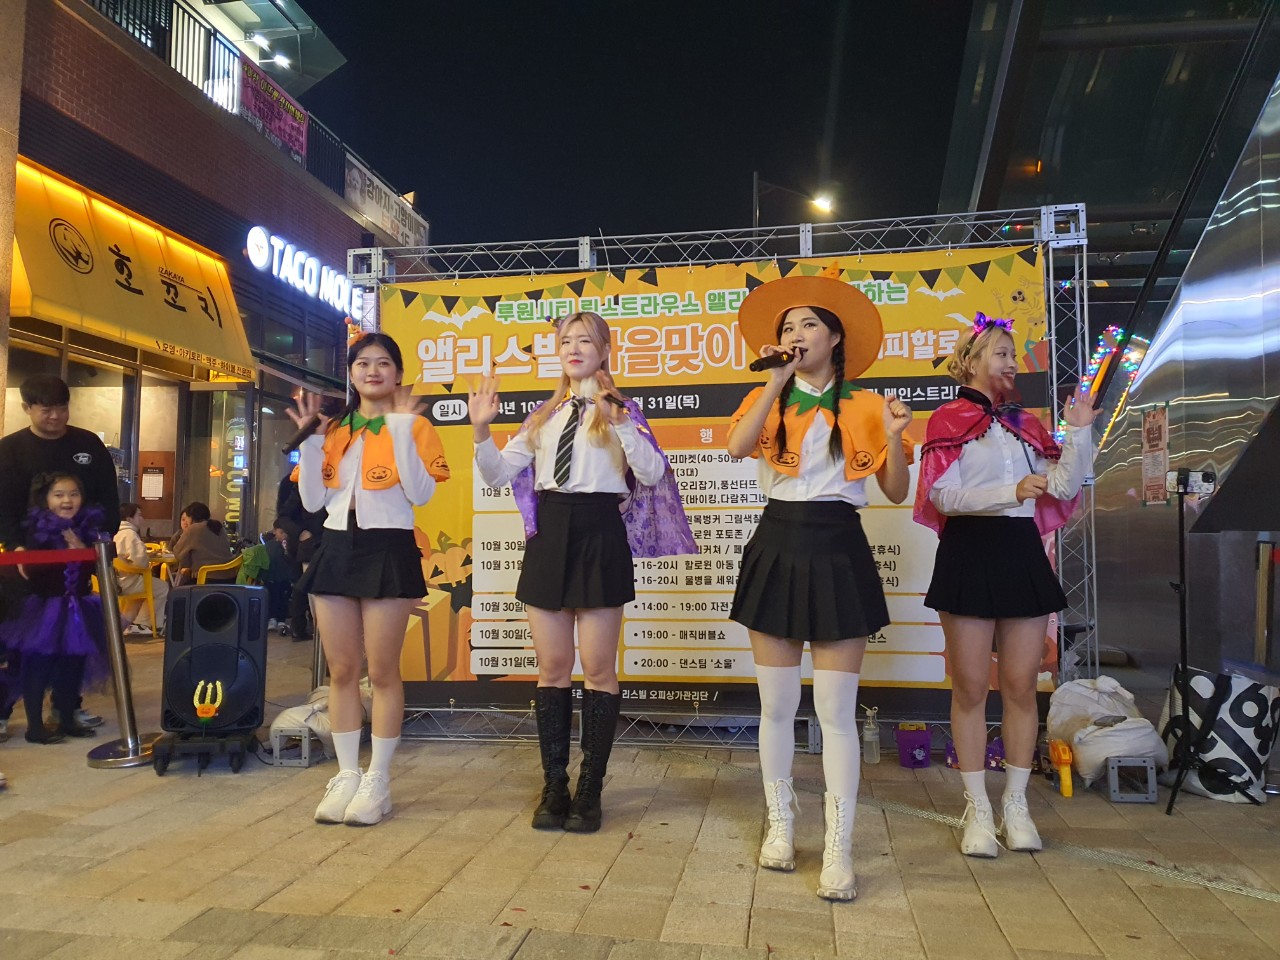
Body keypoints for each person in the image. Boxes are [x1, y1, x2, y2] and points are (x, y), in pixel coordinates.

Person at [468, 311, 696, 834]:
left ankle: (590, 788)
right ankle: (554, 786)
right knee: (552, 667)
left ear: (605, 350)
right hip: (550, 535)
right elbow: (498, 475)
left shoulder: (622, 411)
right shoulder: (543, 416)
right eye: (565, 340)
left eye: (585, 341)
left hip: (600, 533)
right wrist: (481, 429)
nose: (573, 348)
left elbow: (653, 473)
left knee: (597, 668)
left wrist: (621, 424)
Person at [726, 274, 913, 902]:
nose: (795, 334)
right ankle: (780, 823)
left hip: (839, 546)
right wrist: (774, 381)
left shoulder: (868, 403)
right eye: (787, 327)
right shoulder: (769, 394)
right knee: (776, 706)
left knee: (835, 712)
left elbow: (895, 491)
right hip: (777, 541)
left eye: (808, 324)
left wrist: (894, 437)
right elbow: (737, 446)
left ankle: (839, 845)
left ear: (835, 338)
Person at [913, 312, 1097, 858]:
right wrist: (1010, 491)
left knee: (1020, 685)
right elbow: (942, 497)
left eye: (1013, 355)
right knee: (971, 688)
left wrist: (1079, 429)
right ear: (970, 361)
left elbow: (1062, 484)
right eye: (1001, 353)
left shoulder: (1024, 422)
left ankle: (1016, 805)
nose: (1012, 363)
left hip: (1020, 552)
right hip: (968, 552)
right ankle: (976, 807)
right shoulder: (946, 419)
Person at [289, 333, 450, 826]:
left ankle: (378, 779)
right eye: (363, 363)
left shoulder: (414, 425)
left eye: (383, 363)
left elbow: (421, 494)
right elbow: (313, 502)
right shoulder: (335, 427)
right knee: (340, 671)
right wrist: (311, 444)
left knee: (381, 672)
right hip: (337, 546)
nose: (372, 371)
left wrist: (399, 431)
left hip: (388, 547)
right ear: (351, 373)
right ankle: (346, 775)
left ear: (398, 374)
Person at [0, 374, 119, 732]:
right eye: (46, 409)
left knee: (74, 637)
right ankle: (4, 712)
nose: (55, 416)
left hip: (77, 557)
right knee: (22, 643)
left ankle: (66, 709)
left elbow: (108, 497)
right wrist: (16, 546)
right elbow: (4, 505)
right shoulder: (10, 449)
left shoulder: (88, 444)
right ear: (27, 408)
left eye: (61, 408)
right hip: (28, 561)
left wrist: (97, 542)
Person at [0, 472, 110, 743]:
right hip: (45, 611)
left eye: (73, 494)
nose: (67, 500)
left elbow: (96, 567)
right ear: (46, 499)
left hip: (79, 607)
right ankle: (35, 726)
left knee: (73, 665)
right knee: (38, 666)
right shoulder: (36, 530)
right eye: (58, 495)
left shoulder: (87, 529)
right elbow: (30, 573)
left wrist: (81, 547)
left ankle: (66, 718)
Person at [276, 465, 325, 640]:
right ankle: (300, 628)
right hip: (310, 545)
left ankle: (300, 628)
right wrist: (301, 533)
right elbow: (283, 515)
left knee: (302, 587)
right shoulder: (302, 480)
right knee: (305, 589)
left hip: (335, 545)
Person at [115, 503, 169, 636]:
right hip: (128, 581)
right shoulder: (130, 534)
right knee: (162, 587)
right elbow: (140, 562)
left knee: (147, 590)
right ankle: (147, 624)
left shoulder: (115, 532)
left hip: (116, 579)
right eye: (139, 515)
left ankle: (137, 623)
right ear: (129, 519)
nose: (142, 519)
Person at [167, 502, 233, 584]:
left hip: (206, 578)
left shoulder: (193, 529)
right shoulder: (218, 526)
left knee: (173, 584)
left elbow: (178, 553)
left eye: (187, 517)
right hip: (230, 578)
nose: (186, 521)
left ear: (191, 517)